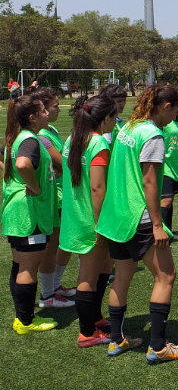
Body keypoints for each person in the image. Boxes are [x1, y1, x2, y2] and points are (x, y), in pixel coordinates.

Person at [95, 84, 178, 363]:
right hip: (140, 218)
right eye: (176, 112)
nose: (175, 119)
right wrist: (158, 225)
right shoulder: (153, 135)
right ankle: (158, 346)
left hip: (117, 216)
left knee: (122, 277)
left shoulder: (128, 128)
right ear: (166, 106)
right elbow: (149, 182)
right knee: (166, 276)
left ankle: (117, 340)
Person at [59, 95, 117, 347]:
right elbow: (97, 188)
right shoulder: (98, 144)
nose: (116, 122)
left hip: (74, 217)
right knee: (87, 277)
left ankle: (95, 318)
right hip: (90, 221)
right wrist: (100, 225)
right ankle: (86, 333)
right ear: (105, 119)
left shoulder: (72, 139)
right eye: (115, 117)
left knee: (104, 268)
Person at [2, 95, 58, 334]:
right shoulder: (29, 141)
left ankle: (21, 317)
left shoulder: (17, 137)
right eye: (44, 111)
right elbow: (24, 164)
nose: (48, 114)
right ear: (33, 118)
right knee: (27, 268)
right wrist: (34, 187)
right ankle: (26, 322)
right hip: (28, 214)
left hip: (18, 212)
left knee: (19, 264)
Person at [31, 88, 77, 309]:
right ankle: (47, 294)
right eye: (55, 106)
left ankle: (55, 287)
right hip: (55, 197)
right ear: (43, 110)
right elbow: (63, 163)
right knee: (52, 246)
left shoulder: (51, 130)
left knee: (61, 243)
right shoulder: (41, 135)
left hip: (61, 194)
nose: (59, 109)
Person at [161, 96, 178, 241]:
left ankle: (169, 232)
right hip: (165, 167)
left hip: (176, 166)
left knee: (170, 201)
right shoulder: (163, 122)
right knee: (165, 201)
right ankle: (162, 234)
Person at [99, 83, 128, 149]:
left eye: (124, 100)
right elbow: (105, 146)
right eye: (119, 101)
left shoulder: (118, 119)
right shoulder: (107, 122)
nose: (123, 104)